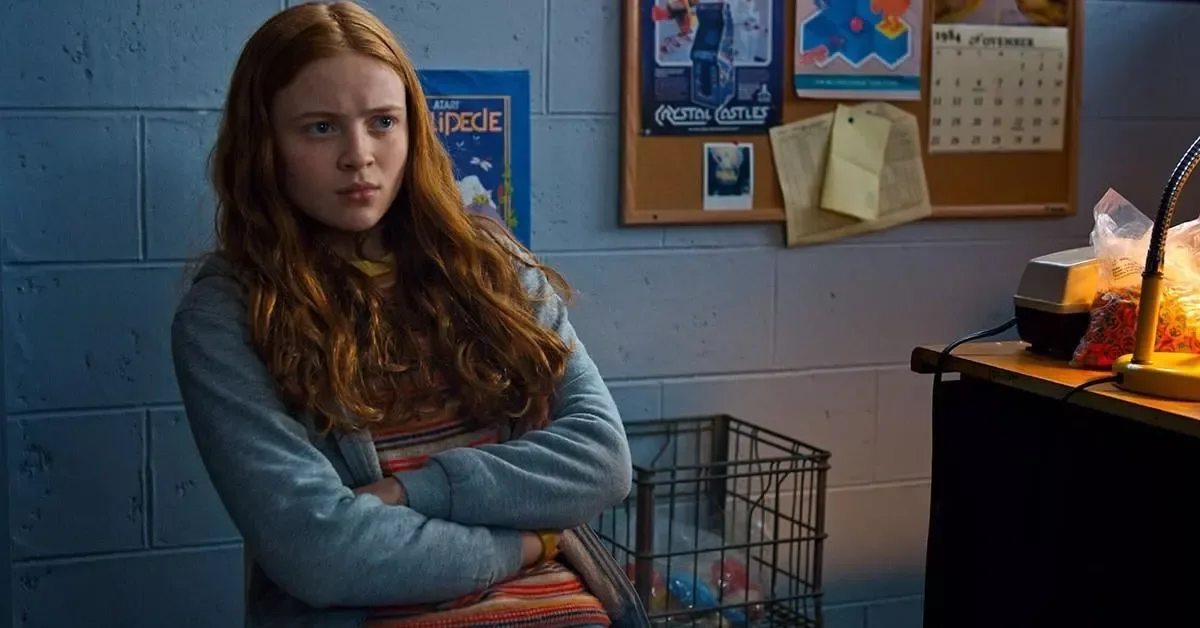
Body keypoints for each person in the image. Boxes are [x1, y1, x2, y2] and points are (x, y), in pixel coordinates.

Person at [169, 2, 644, 626]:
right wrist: (527, 544)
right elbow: (323, 553)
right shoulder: (228, 315)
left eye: (383, 122)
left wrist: (413, 490)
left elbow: (603, 460)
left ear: (414, 130)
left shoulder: (493, 264)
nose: (358, 155)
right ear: (265, 145)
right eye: (320, 127)